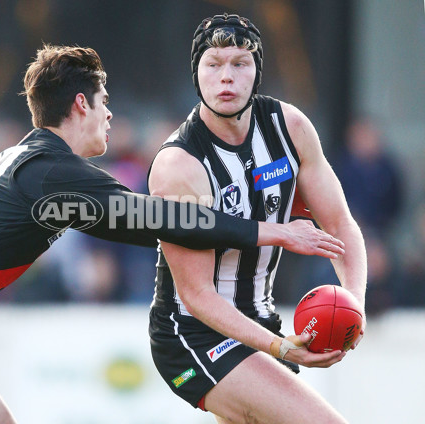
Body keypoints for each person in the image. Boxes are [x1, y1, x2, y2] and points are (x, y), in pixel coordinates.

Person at [0, 44, 344, 424]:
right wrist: (273, 232)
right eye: (105, 102)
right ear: (80, 104)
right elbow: (166, 220)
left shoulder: (26, 160)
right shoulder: (53, 173)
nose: (110, 115)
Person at [147, 13, 367, 424]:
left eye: (240, 63)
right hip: (194, 335)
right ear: (196, 75)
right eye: (213, 64)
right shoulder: (179, 164)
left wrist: (355, 302)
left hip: (260, 321)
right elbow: (198, 296)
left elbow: (340, 225)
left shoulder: (290, 127)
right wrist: (279, 348)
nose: (226, 77)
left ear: (257, 73)